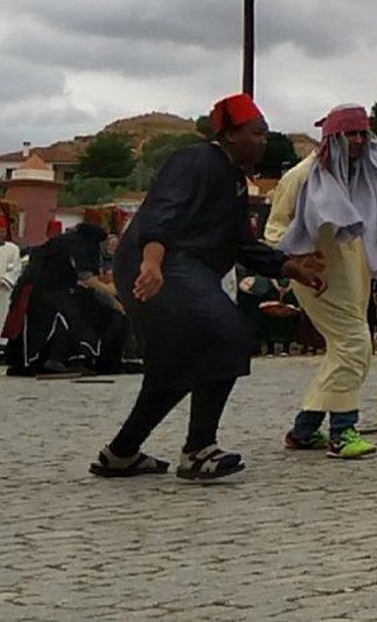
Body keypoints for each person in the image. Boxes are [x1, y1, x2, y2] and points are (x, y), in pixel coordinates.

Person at [92, 93, 326, 481]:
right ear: (231, 135)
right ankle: (199, 450)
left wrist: (288, 267)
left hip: (180, 266)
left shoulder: (233, 179)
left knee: (174, 364)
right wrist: (152, 261)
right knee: (226, 332)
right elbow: (161, 212)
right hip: (162, 262)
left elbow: (239, 242)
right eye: (257, 133)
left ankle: (121, 453)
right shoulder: (195, 161)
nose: (264, 141)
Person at [268, 103, 377, 460]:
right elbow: (274, 230)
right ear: (334, 138)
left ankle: (304, 430)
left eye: (363, 133)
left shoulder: (368, 180)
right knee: (354, 344)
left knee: (351, 346)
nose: (359, 141)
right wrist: (299, 258)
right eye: (351, 134)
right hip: (317, 277)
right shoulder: (302, 177)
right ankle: (342, 430)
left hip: (354, 273)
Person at [11, 220, 128, 376]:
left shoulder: (67, 243)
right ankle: (66, 358)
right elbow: (86, 277)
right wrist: (110, 294)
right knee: (72, 318)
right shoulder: (77, 245)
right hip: (44, 290)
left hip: (53, 288)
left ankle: (61, 358)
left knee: (75, 314)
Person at [0, 217, 22, 343]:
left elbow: (16, 268)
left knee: (2, 316)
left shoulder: (12, 249)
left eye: (2, 231)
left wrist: (4, 280)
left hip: (4, 290)